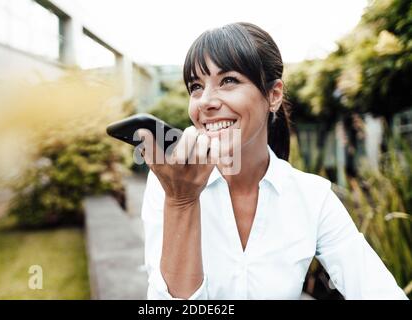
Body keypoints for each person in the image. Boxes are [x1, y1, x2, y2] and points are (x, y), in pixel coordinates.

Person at [136, 22, 407, 300]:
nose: (205, 101)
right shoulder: (168, 184)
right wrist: (182, 201)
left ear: (273, 95)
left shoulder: (312, 198)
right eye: (195, 86)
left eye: (228, 80)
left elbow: (377, 291)